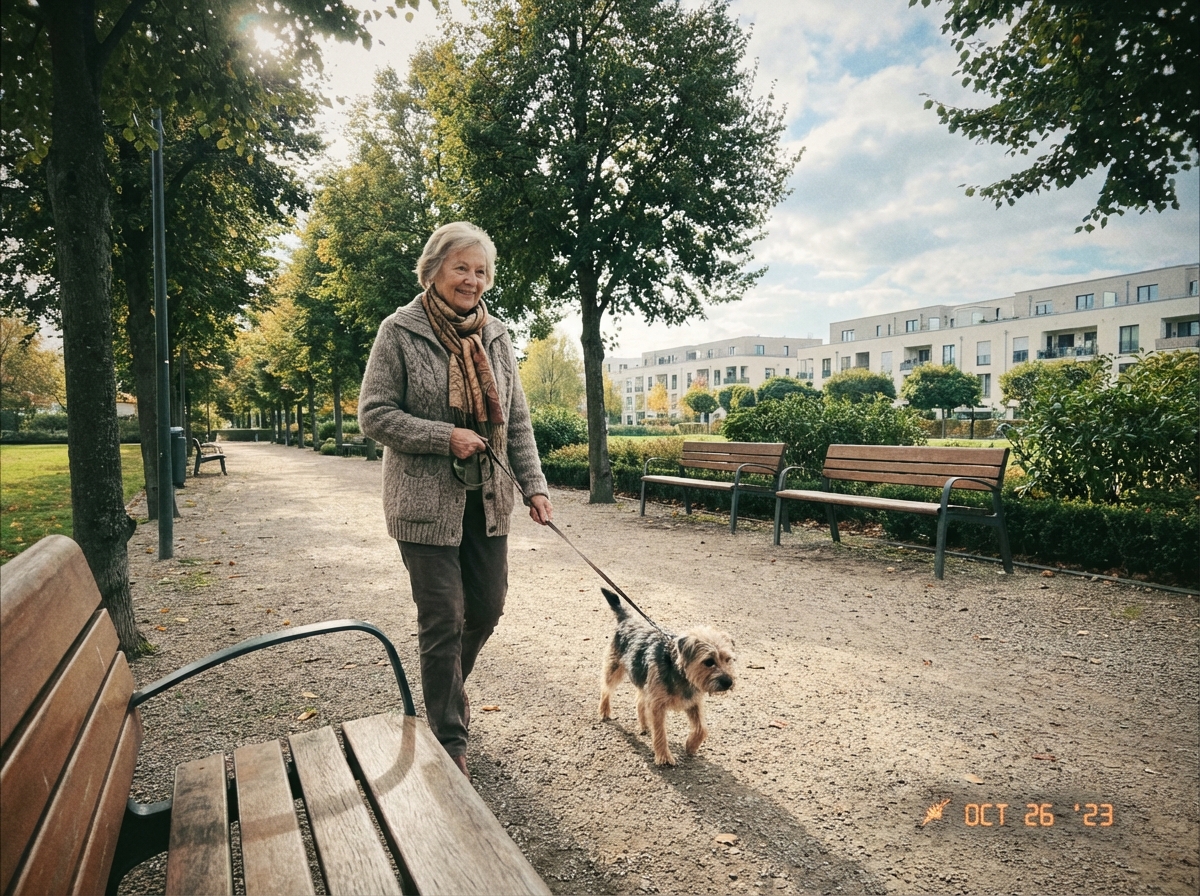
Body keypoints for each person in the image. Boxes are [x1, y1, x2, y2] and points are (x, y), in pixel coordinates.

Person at [359, 222, 553, 779]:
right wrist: (443, 435)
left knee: (486, 608)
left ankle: (448, 690)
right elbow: (374, 414)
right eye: (461, 267)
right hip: (423, 504)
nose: (472, 280)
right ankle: (449, 737)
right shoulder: (398, 331)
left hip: (487, 500)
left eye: (481, 270)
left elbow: (516, 419)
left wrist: (534, 485)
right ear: (434, 270)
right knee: (443, 617)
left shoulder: (497, 335)